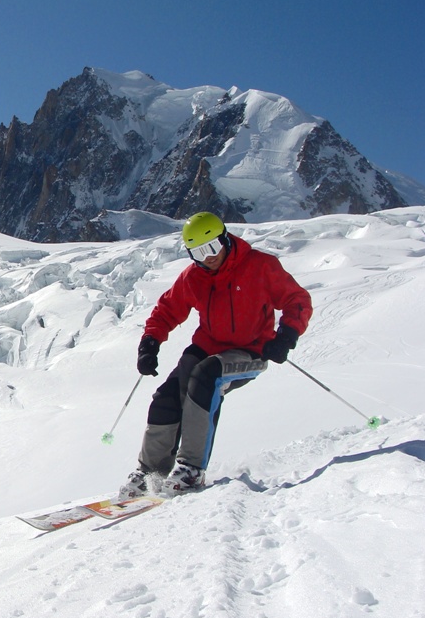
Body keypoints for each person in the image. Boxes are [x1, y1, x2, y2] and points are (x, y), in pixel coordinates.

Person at [120, 211, 312, 498]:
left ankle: (190, 470)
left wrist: (286, 335)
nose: (207, 257)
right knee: (167, 396)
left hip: (251, 351)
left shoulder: (260, 266)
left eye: (212, 247)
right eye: (198, 252)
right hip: (209, 345)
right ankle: (151, 473)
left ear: (225, 239)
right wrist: (150, 342)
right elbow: (167, 310)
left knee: (206, 377)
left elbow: (297, 300)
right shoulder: (195, 277)